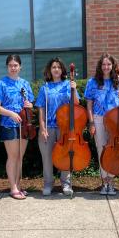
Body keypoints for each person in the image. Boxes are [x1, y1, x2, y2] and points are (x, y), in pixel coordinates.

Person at [35, 57, 79, 196]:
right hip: (49, 126)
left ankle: (65, 183)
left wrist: (74, 89)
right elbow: (41, 108)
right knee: (47, 157)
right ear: (49, 70)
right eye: (53, 67)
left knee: (66, 155)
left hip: (65, 127)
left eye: (58, 67)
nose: (56, 69)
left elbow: (77, 103)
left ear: (62, 70)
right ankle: (48, 183)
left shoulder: (68, 84)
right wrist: (42, 127)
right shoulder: (45, 87)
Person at [84, 53, 119, 195]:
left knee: (114, 149)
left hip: (114, 120)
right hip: (98, 118)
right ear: (100, 66)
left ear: (113, 66)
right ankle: (105, 182)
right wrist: (91, 122)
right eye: (104, 64)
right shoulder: (93, 82)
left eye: (109, 64)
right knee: (101, 150)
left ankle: (112, 181)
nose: (106, 67)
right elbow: (89, 104)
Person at [0, 54, 34, 200]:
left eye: (16, 65)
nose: (13, 68)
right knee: (13, 156)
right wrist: (10, 113)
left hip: (24, 124)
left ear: (20, 67)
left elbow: (30, 103)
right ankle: (13, 188)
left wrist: (30, 105)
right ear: (7, 67)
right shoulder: (2, 84)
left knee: (20, 157)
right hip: (9, 124)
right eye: (10, 65)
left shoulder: (25, 84)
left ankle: (18, 184)